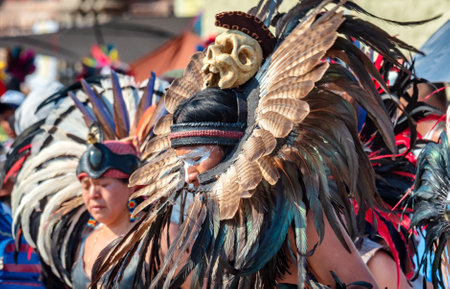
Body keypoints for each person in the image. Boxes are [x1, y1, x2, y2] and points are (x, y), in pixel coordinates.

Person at [72, 139, 141, 288]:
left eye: (103, 185)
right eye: (86, 186)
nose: (92, 194)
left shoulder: (157, 238)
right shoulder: (85, 241)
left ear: (131, 187)